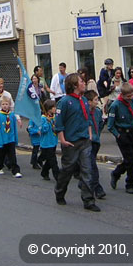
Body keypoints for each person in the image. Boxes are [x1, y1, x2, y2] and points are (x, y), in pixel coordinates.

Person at [54, 73, 99, 212]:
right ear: (74, 85)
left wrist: (89, 134)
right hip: (71, 142)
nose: (84, 83)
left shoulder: (84, 100)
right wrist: (63, 140)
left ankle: (88, 200)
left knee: (87, 170)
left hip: (84, 140)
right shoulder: (64, 101)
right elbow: (59, 123)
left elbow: (88, 119)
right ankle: (59, 192)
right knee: (67, 170)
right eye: (81, 81)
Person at [108, 83, 133, 194]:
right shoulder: (115, 105)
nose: (130, 98)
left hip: (131, 133)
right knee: (129, 160)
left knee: (130, 159)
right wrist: (118, 135)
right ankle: (130, 183)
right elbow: (110, 126)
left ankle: (116, 173)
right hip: (122, 134)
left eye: (132, 95)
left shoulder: (132, 102)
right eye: (128, 96)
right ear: (122, 94)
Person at [0, 96, 22, 177]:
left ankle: (15, 171)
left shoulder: (12, 115)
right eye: (3, 104)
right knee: (1, 155)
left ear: (9, 105)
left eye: (6, 104)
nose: (5, 106)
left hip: (11, 139)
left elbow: (14, 128)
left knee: (12, 155)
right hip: (3, 139)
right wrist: (0, 142)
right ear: (0, 105)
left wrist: (16, 139)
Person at [84, 90, 105, 199]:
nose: (97, 102)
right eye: (95, 100)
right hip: (87, 142)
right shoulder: (84, 112)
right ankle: (97, 188)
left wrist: (97, 135)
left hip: (96, 141)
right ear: (89, 102)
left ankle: (83, 183)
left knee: (89, 166)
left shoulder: (97, 112)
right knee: (93, 166)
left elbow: (100, 124)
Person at [40, 100, 60, 182]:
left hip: (53, 142)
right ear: (48, 109)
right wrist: (47, 123)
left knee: (49, 160)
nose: (55, 109)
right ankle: (58, 176)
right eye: (53, 107)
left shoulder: (54, 117)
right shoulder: (43, 118)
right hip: (46, 143)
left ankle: (44, 172)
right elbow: (43, 131)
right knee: (53, 160)